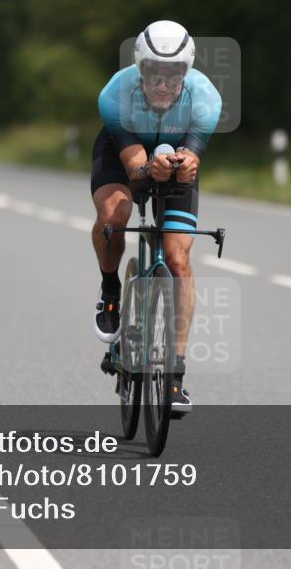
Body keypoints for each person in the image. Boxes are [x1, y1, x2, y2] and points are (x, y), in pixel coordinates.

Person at [91, 20, 222, 414]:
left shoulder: (206, 99)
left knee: (178, 261)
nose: (163, 85)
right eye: (154, 75)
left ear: (186, 71)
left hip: (174, 153)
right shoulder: (115, 95)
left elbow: (193, 157)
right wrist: (149, 169)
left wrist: (187, 162)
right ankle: (110, 290)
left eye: (173, 75)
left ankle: (175, 376)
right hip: (124, 154)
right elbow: (134, 169)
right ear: (140, 69)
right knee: (115, 213)